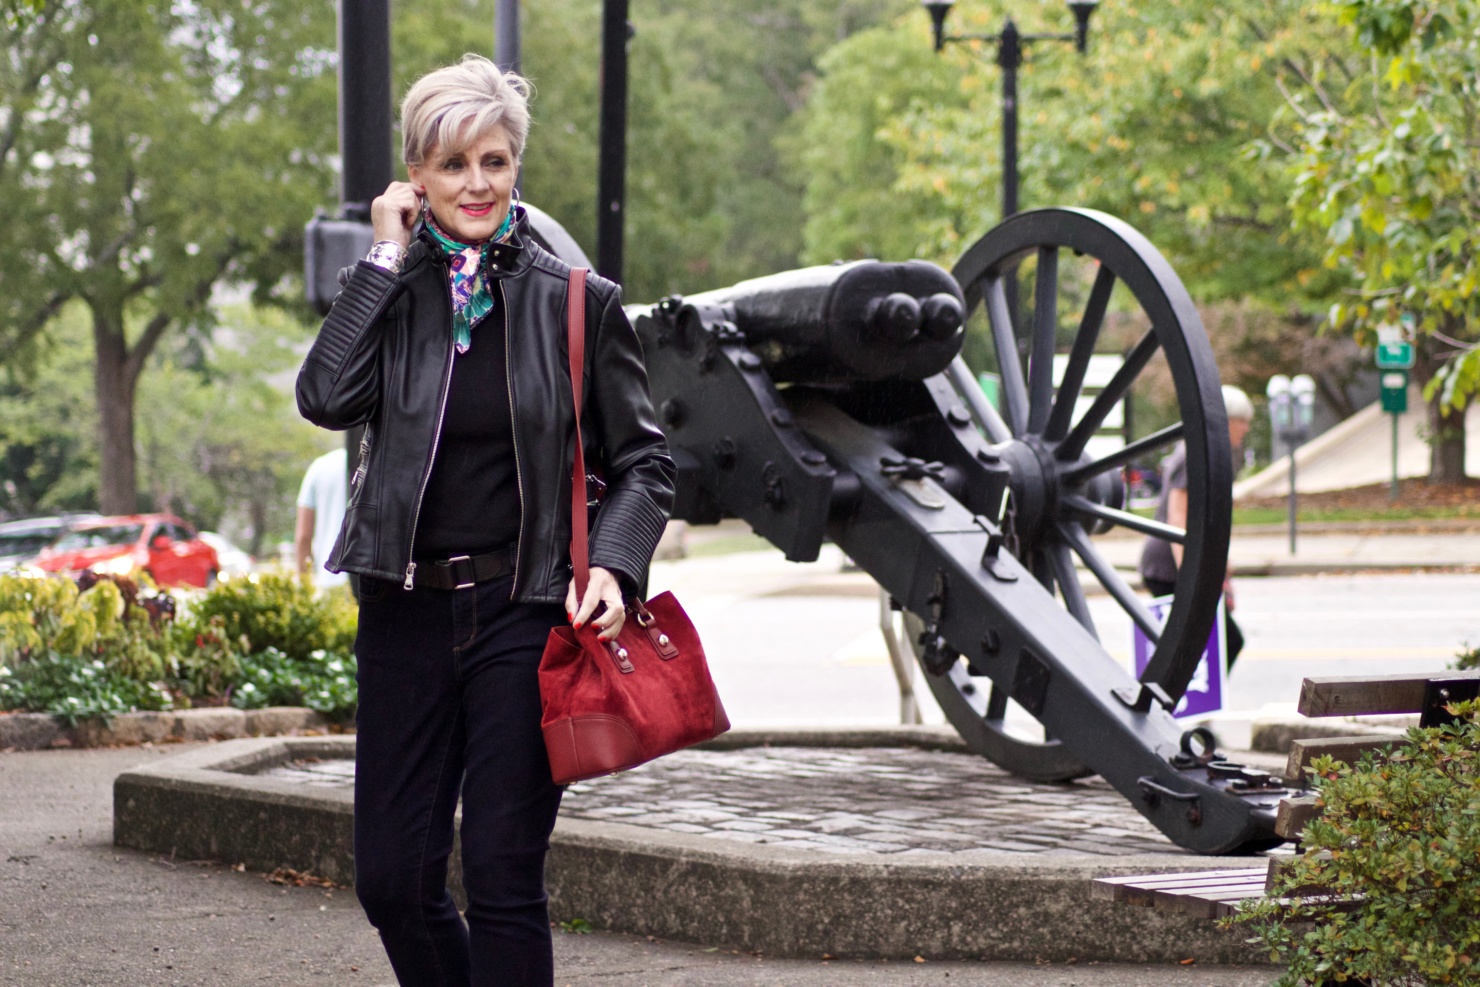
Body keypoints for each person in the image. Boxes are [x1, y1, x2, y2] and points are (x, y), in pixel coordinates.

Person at [295, 55, 674, 987]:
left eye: (495, 161)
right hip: (406, 609)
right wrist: (383, 260)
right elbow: (324, 396)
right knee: (392, 877)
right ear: (416, 176)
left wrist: (616, 568)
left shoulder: (574, 301)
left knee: (505, 874)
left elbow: (648, 463)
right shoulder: (392, 292)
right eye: (453, 163)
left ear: (516, 169)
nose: (476, 183)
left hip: (525, 610)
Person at [1137, 384, 1253, 669]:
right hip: (1169, 567)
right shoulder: (1194, 455)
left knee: (1207, 644)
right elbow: (1178, 519)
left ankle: (1185, 708)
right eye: (1243, 421)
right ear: (1227, 421)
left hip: (1179, 565)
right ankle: (1182, 708)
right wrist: (1191, 577)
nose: (1247, 428)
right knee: (1224, 641)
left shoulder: (1204, 452)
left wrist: (1220, 572)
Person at [294, 446, 349, 590]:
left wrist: (304, 584)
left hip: (328, 578)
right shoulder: (379, 463)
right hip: (368, 580)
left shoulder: (320, 466)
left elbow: (303, 536)